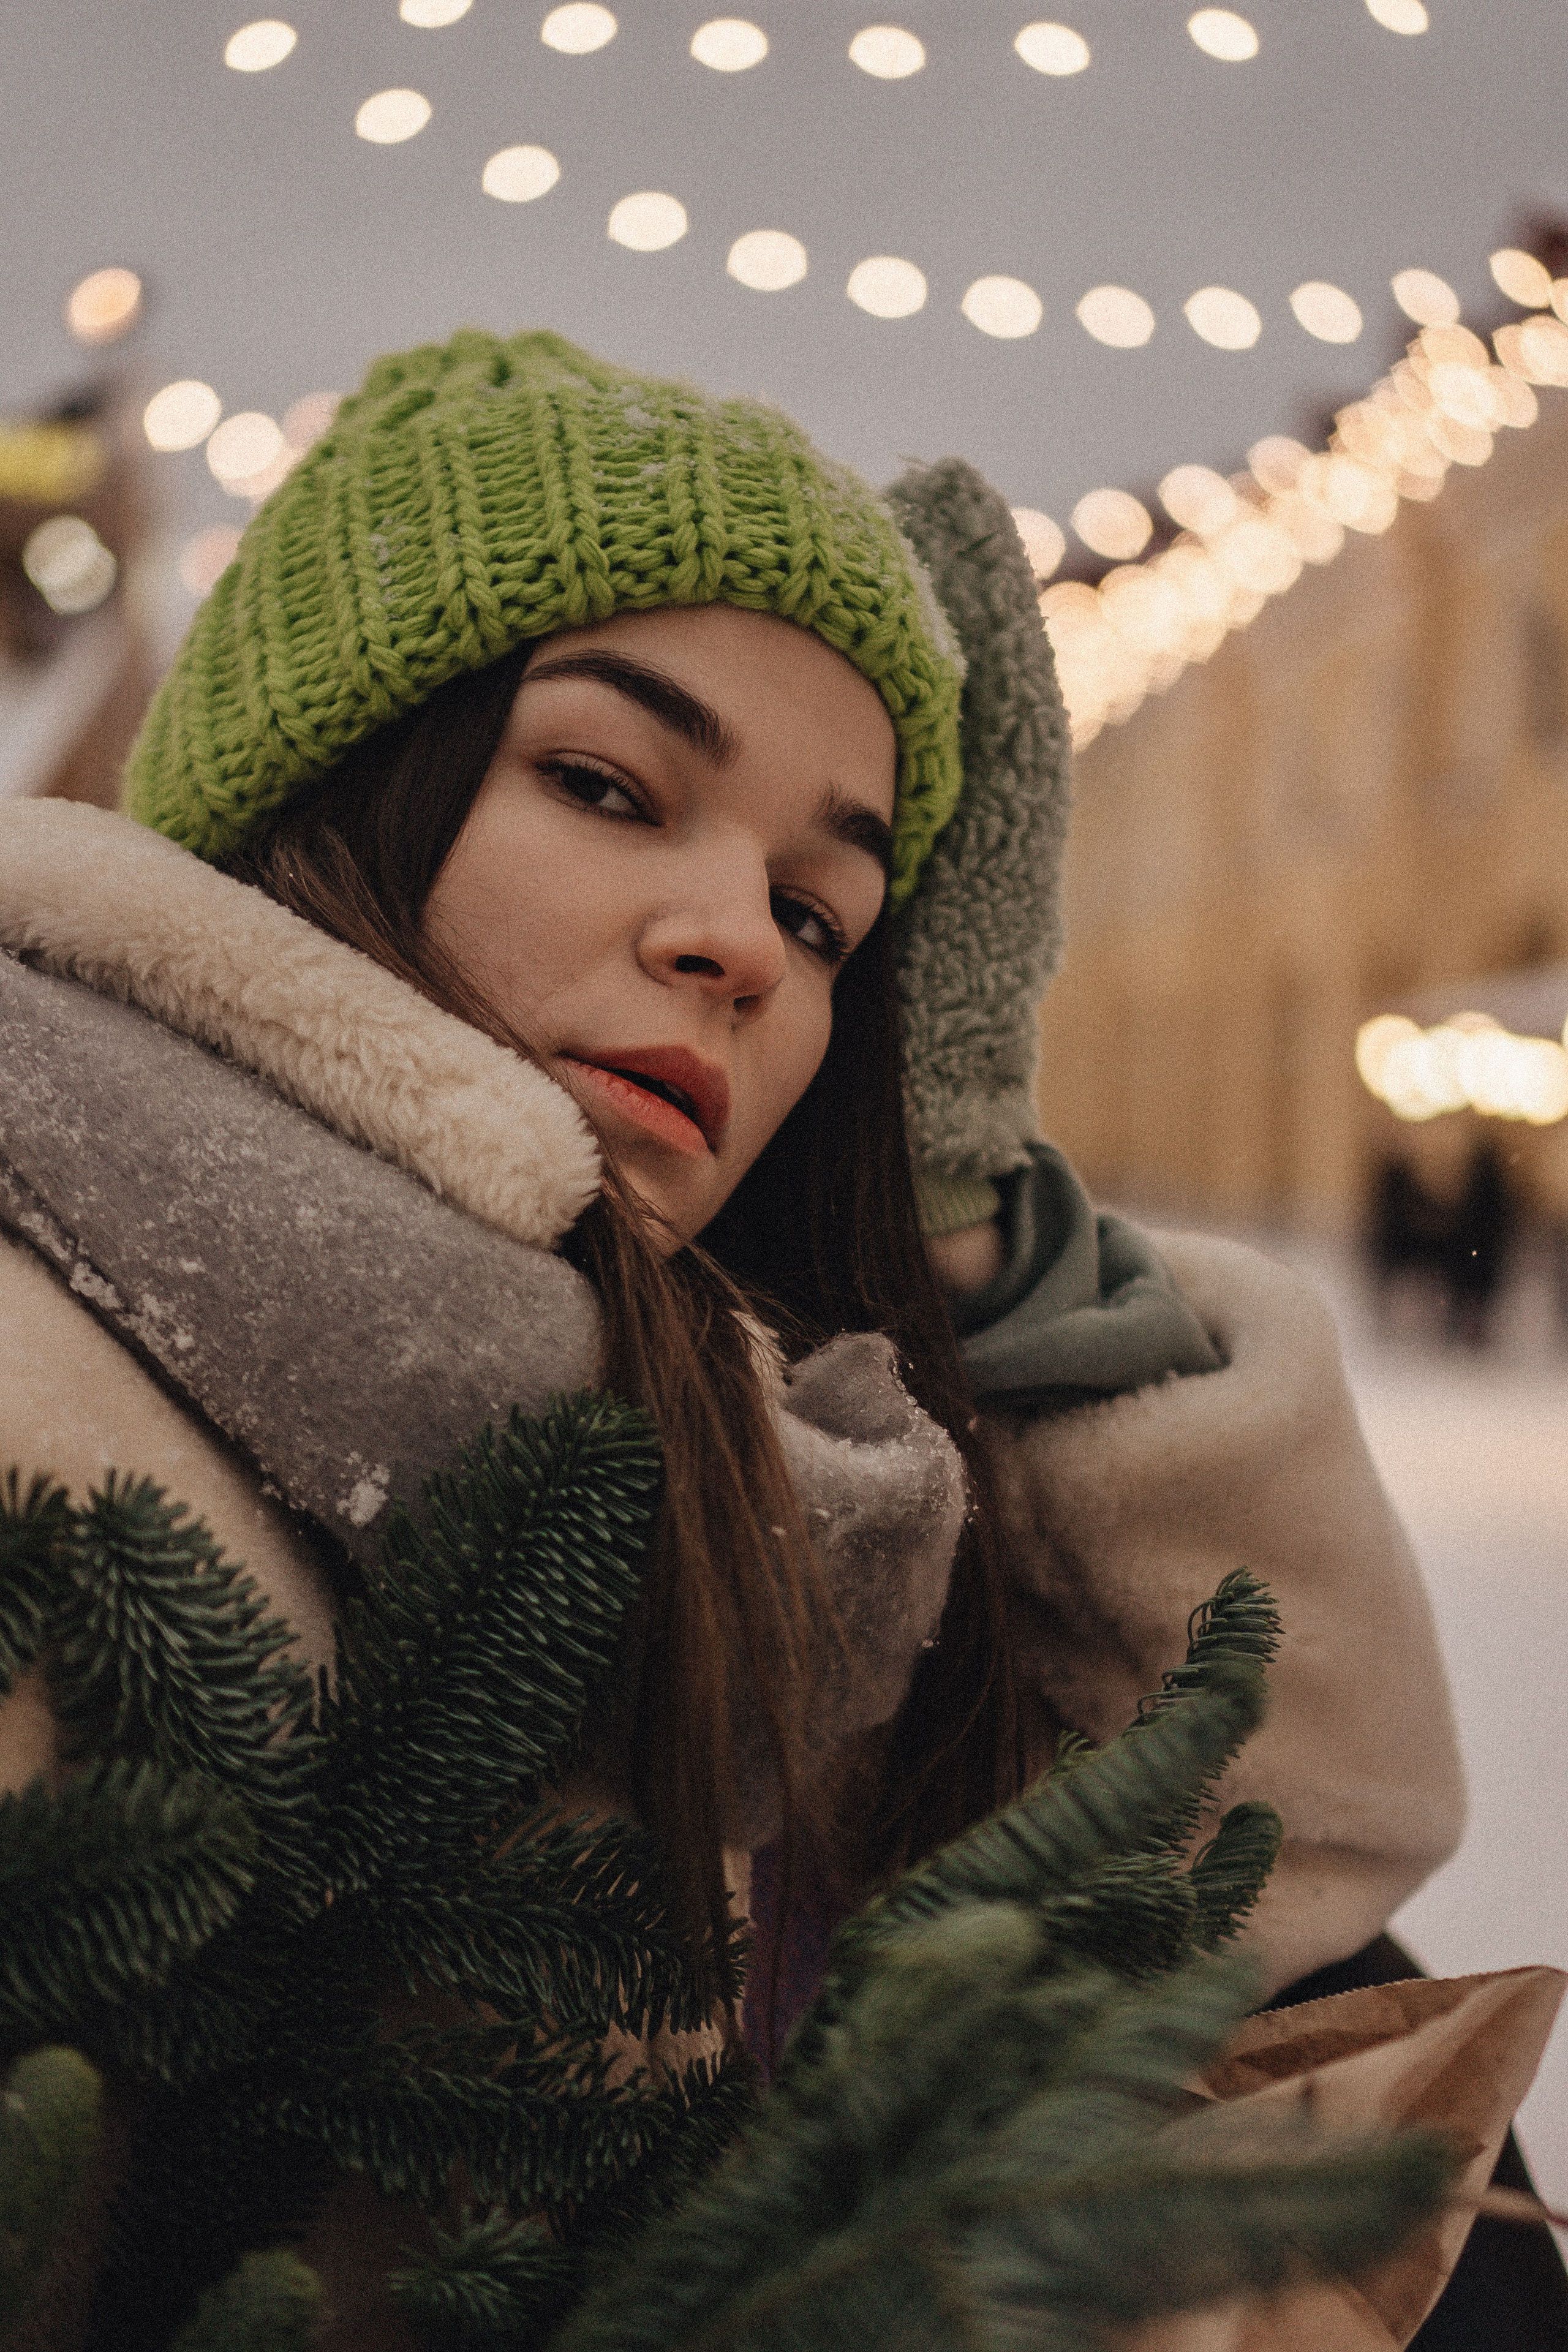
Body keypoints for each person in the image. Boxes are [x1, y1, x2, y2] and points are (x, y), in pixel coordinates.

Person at [2, 329, 1541, 2343]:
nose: (736, 937)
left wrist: (964, 1226)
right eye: (603, 783)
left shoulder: (743, 1426)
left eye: (824, 916)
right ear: (333, 783)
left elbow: (1288, 1879)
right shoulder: (58, 1388)